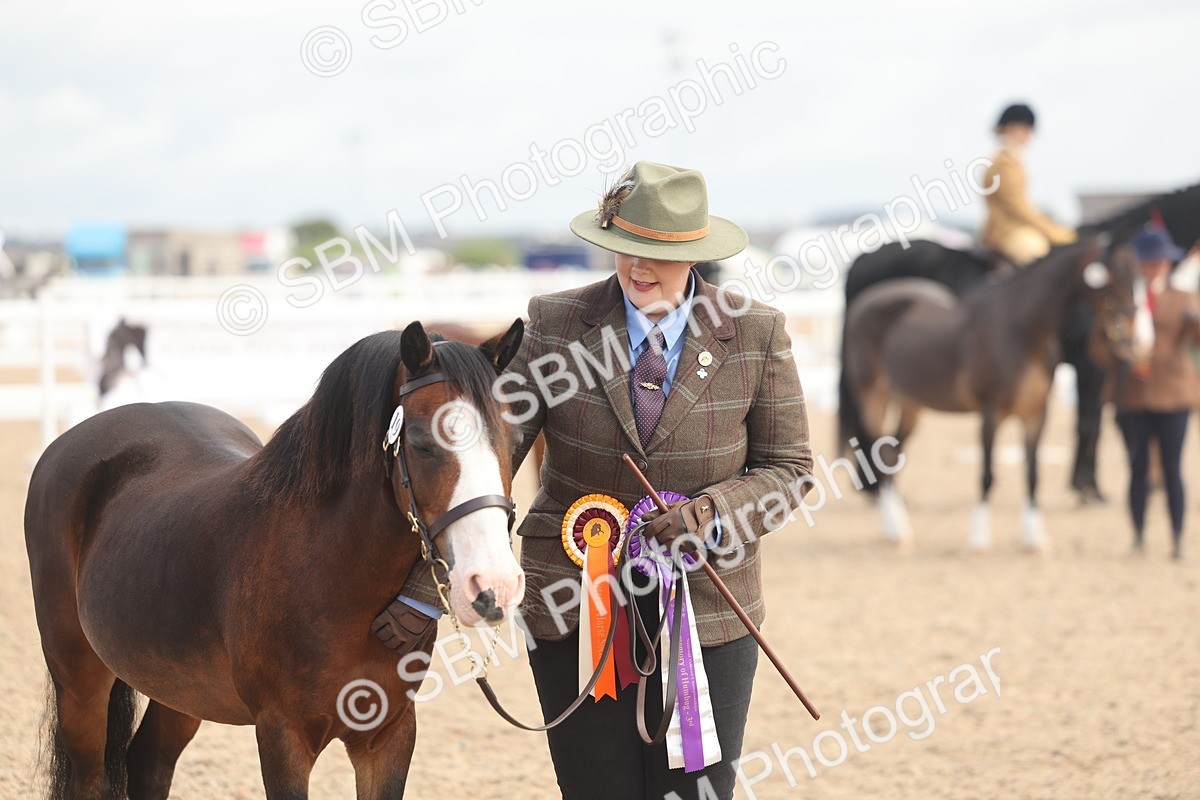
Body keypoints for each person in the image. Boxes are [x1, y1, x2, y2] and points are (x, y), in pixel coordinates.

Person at [389, 161, 813, 800]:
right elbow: (484, 461)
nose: (637, 269)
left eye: (656, 256)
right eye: (624, 250)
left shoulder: (756, 333)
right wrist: (426, 587)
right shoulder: (556, 323)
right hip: (571, 602)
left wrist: (712, 512)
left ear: (694, 255)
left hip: (709, 605)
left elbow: (791, 470)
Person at [1098, 227, 1200, 560]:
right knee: (1137, 467)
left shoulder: (1183, 298)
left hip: (1172, 392)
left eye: (1160, 261)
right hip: (1134, 394)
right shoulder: (1123, 299)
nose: (1156, 266)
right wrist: (1117, 348)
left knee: (1173, 468)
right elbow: (1098, 347)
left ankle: (1177, 537)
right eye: (1150, 261)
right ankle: (1139, 535)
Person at [980, 103, 1076, 265]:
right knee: (1039, 256)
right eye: (1026, 130)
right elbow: (1017, 208)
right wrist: (1051, 231)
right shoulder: (1004, 164)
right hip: (1008, 231)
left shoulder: (1011, 161)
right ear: (1012, 128)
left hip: (1015, 227)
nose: (1029, 137)